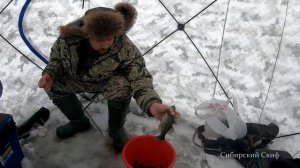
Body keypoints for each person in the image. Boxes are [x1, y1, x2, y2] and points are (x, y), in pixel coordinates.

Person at [38, 2, 180, 152]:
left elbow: (139, 76)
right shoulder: (67, 40)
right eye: (100, 39)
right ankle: (78, 122)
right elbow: (56, 60)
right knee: (52, 85)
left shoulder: (124, 46)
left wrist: (152, 104)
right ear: (87, 35)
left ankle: (116, 129)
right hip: (76, 80)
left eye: (110, 38)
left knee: (123, 85)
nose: (106, 44)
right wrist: (50, 74)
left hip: (107, 82)